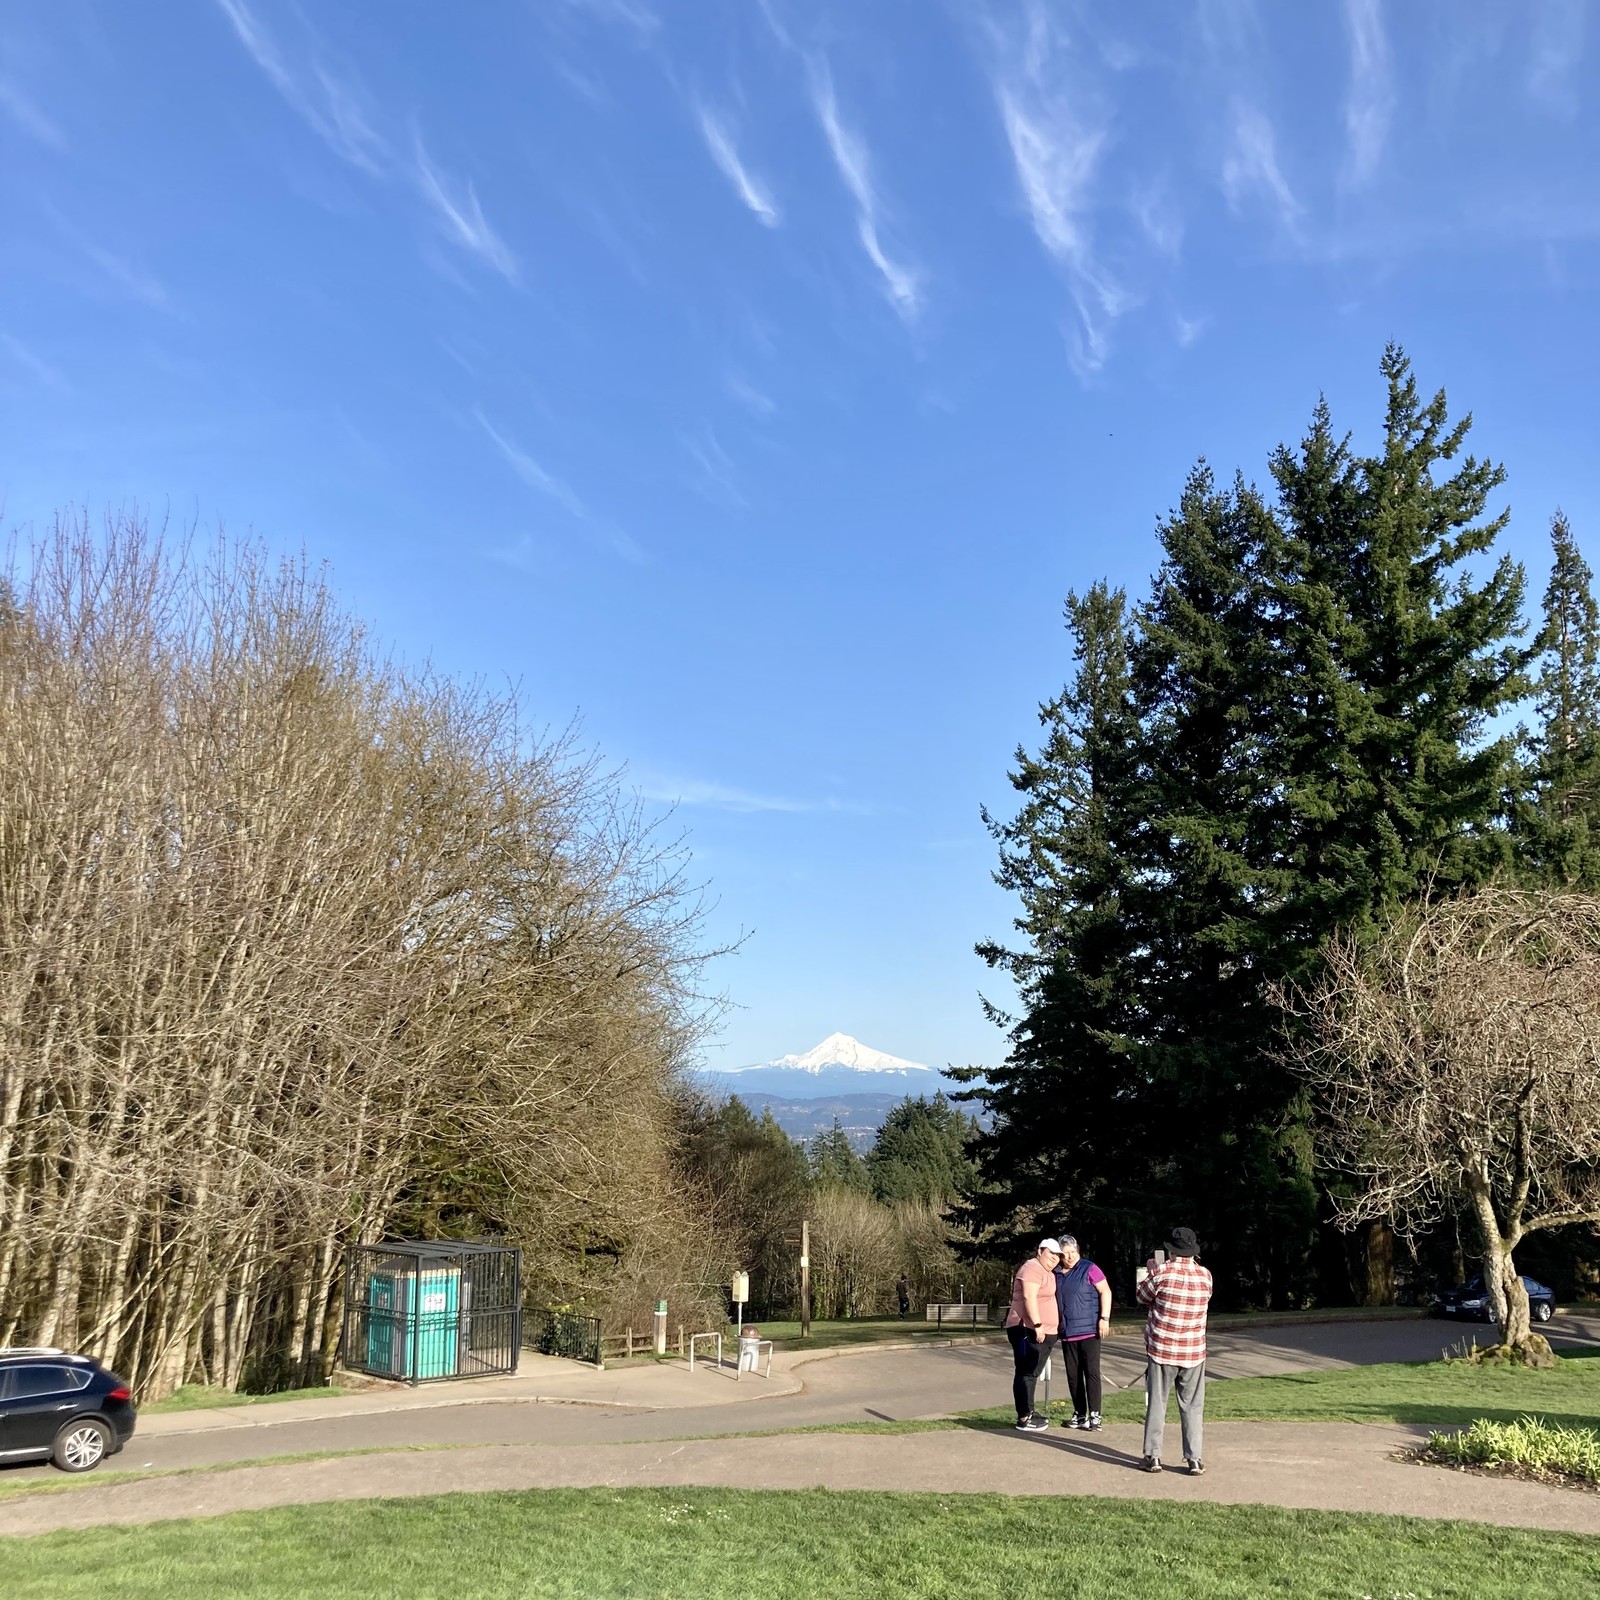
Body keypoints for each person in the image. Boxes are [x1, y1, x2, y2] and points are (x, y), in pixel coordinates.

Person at [1135, 1226, 1213, 1476]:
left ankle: (1153, 1456)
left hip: (1162, 1349)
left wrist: (1148, 1271)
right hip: (1193, 1351)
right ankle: (1194, 1458)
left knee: (1157, 1403)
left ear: (1171, 1251)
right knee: (1192, 1406)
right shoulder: (1205, 1276)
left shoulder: (1161, 1273)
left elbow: (1141, 1296)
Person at [1052, 1235, 1111, 1430]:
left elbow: (1105, 1291)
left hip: (1089, 1331)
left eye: (1073, 1253)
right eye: (1065, 1254)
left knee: (1091, 1373)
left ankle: (1095, 1415)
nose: (1069, 1257)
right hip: (1068, 1332)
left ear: (1078, 1251)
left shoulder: (1089, 1268)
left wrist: (1104, 1319)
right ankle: (1079, 1414)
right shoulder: (1056, 1273)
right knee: (1073, 1375)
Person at [1005, 1238, 1062, 1432]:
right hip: (1025, 1329)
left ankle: (1029, 1411)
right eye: (1051, 1254)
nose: (1054, 1258)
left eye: (1057, 1256)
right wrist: (1038, 1325)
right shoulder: (1031, 1269)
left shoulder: (1048, 1272)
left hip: (1042, 1332)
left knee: (1032, 1372)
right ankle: (1024, 1417)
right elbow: (1029, 1297)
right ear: (1040, 1251)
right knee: (1025, 1372)